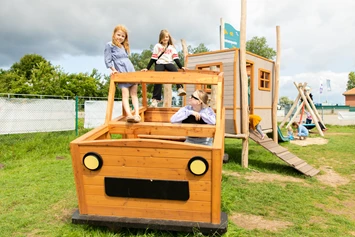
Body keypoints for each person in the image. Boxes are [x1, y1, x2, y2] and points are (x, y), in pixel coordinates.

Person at [141, 29, 187, 107]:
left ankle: (179, 88)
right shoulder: (157, 46)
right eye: (164, 37)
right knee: (158, 79)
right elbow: (153, 58)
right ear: (161, 38)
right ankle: (155, 99)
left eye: (167, 37)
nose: (166, 38)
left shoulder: (171, 47)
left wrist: (181, 66)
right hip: (160, 63)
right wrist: (147, 68)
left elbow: (175, 58)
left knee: (175, 71)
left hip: (169, 63)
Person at [104, 25, 140, 123]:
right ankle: (129, 115)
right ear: (114, 34)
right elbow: (108, 59)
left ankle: (137, 114)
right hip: (121, 70)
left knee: (134, 94)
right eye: (118, 35)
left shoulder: (124, 46)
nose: (120, 37)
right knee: (125, 94)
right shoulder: (110, 45)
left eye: (122, 36)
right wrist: (113, 69)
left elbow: (126, 60)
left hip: (130, 69)